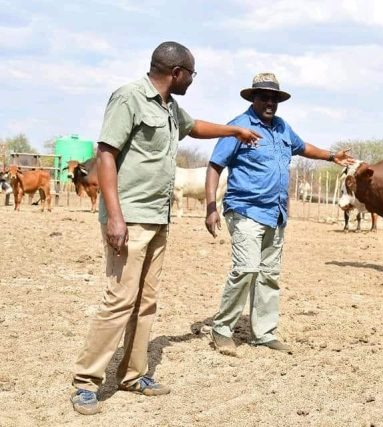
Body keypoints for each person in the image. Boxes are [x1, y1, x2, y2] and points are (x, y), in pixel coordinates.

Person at [70, 41, 260, 416]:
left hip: (158, 217)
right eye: (191, 73)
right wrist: (116, 216)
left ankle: (133, 374)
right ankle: (86, 382)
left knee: (145, 300)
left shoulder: (169, 106)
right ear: (176, 73)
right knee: (119, 299)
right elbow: (106, 153)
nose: (192, 79)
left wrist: (234, 131)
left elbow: (196, 127)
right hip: (130, 218)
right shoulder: (129, 98)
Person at [204, 72, 353, 356]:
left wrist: (331, 156)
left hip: (276, 212)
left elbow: (303, 147)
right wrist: (210, 207)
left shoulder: (283, 128)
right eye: (264, 97)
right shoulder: (238, 127)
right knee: (246, 269)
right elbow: (214, 166)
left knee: (268, 275)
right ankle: (222, 329)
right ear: (253, 98)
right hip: (245, 209)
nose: (270, 102)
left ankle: (264, 333)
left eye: (274, 98)